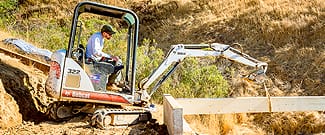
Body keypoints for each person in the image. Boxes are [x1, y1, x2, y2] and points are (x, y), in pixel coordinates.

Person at [85, 24, 123, 91]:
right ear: (104, 33)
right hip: (93, 60)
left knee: (118, 61)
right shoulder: (97, 37)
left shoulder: (100, 37)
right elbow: (96, 52)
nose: (111, 36)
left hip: (96, 58)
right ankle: (110, 84)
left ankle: (114, 82)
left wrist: (109, 57)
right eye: (110, 34)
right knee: (118, 63)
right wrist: (110, 56)